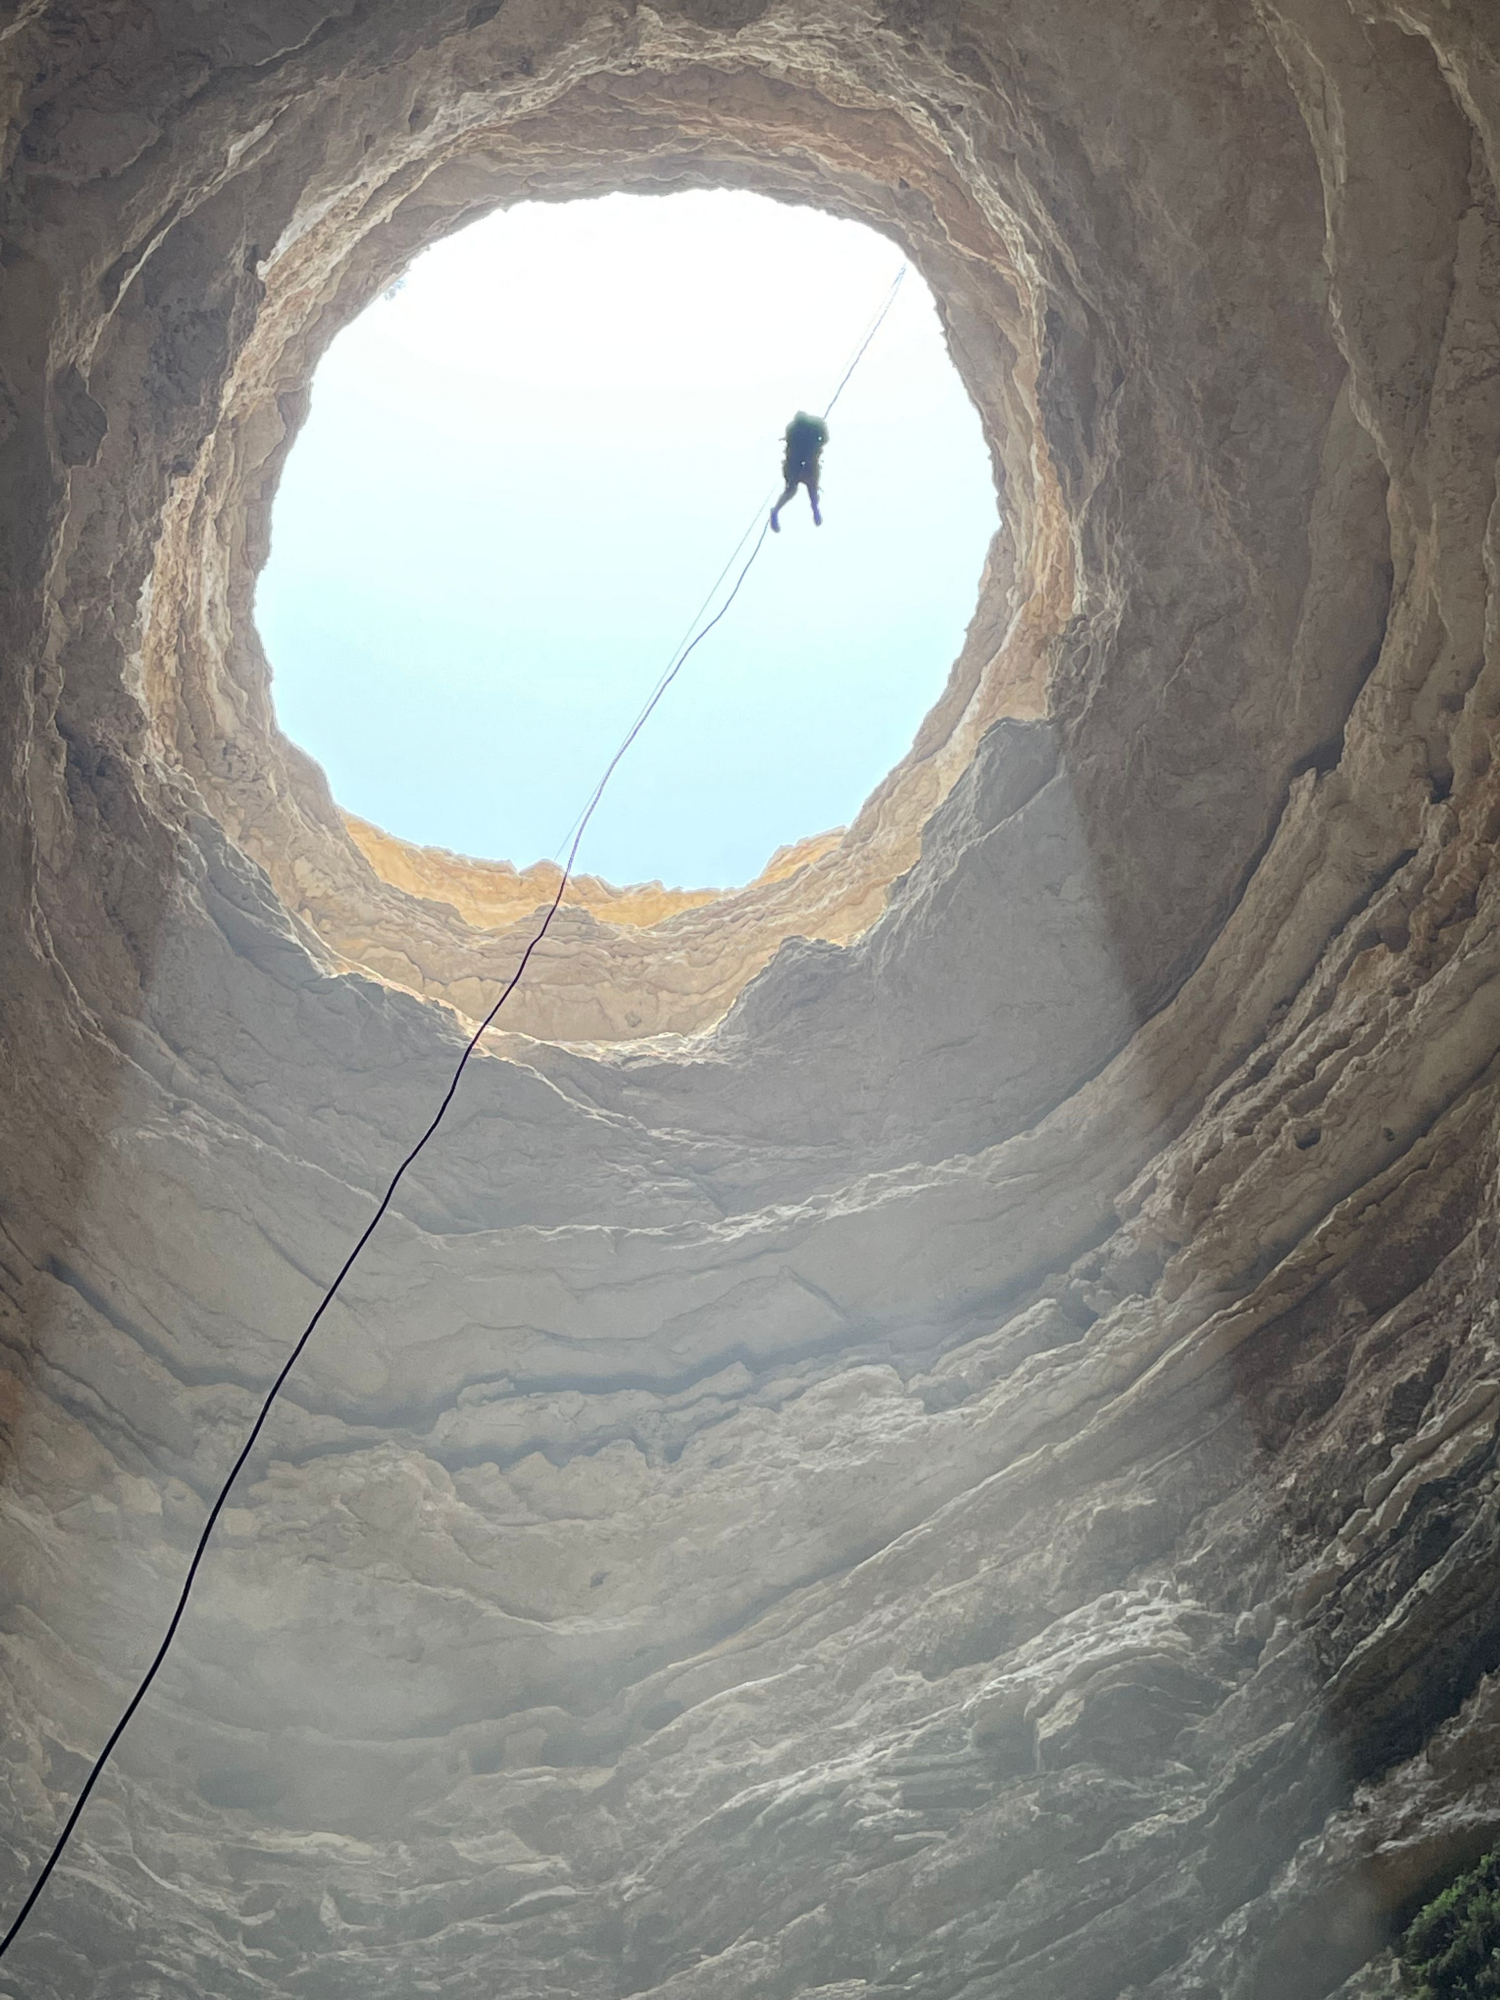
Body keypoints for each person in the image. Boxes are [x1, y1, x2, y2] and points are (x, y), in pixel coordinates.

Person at [770, 411, 828, 532]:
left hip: (804, 462)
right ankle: (776, 510)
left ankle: (815, 508)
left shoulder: (814, 426)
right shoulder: (794, 429)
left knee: (807, 487)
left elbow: (825, 438)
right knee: (794, 489)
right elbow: (791, 449)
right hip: (796, 464)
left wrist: (816, 445)